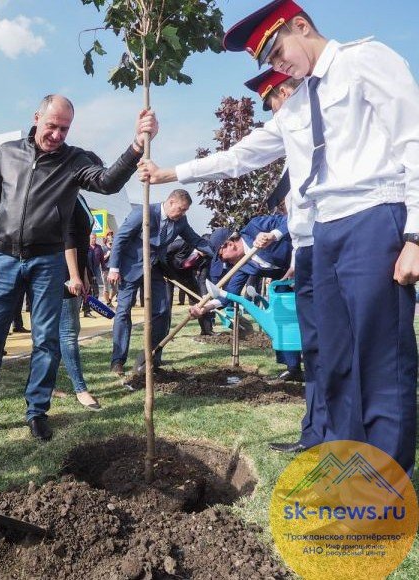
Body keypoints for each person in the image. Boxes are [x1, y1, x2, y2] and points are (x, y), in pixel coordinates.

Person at [139, 0, 419, 475]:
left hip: (375, 217)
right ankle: (347, 466)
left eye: (276, 52)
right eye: (268, 62)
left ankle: (386, 479)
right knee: (335, 357)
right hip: (325, 232)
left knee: (380, 356)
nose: (276, 67)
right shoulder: (299, 104)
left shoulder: (365, 60)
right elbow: (239, 156)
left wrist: (415, 233)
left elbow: (413, 137)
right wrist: (170, 172)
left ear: (301, 25)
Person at [0, 94, 157, 442]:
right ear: (36, 117)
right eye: (51, 125)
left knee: (46, 341)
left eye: (64, 128)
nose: (56, 134)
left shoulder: (74, 160)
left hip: (47, 261)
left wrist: (135, 147)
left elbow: (107, 182)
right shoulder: (7, 152)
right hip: (4, 258)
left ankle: (37, 411)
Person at [244, 66, 323, 454]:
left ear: (286, 94)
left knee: (334, 347)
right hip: (307, 252)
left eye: (273, 103)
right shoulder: (295, 150)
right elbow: (298, 215)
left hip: (334, 248)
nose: (274, 114)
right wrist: (277, 235)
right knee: (316, 349)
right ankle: (316, 434)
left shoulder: (326, 131)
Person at [108, 189, 213, 377]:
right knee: (123, 312)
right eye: (181, 209)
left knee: (163, 311)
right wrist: (114, 268)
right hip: (130, 268)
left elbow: (195, 239)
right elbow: (121, 237)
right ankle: (118, 361)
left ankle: (153, 358)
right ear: (171, 202)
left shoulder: (180, 221)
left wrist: (217, 252)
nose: (182, 214)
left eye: (185, 211)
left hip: (155, 268)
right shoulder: (144, 212)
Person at [191, 215, 302, 380]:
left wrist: (272, 235)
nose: (223, 263)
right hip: (285, 284)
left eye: (220, 256)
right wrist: (205, 308)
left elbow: (292, 219)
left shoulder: (255, 226)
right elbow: (228, 295)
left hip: (308, 264)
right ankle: (293, 369)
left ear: (229, 244)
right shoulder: (242, 266)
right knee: (282, 322)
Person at [60, 195, 101, 410]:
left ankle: (45, 385)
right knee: (67, 333)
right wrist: (74, 275)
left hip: (76, 271)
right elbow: (69, 239)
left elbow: (82, 242)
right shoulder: (65, 196)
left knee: (62, 333)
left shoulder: (79, 196)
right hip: (62, 273)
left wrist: (83, 273)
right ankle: (80, 389)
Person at [84, 233, 104, 318]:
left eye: (95, 238)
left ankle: (90, 307)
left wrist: (103, 269)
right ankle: (86, 309)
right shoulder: (86, 248)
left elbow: (102, 259)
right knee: (86, 291)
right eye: (92, 238)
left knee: (95, 291)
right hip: (86, 272)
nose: (94, 240)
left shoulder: (98, 247)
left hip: (94, 271)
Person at [101, 231, 117, 305]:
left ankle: (109, 300)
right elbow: (101, 259)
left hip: (113, 270)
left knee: (115, 289)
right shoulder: (103, 248)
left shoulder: (114, 248)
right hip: (105, 270)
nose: (110, 236)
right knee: (106, 287)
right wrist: (107, 255)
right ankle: (107, 303)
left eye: (111, 235)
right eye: (108, 235)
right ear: (106, 238)